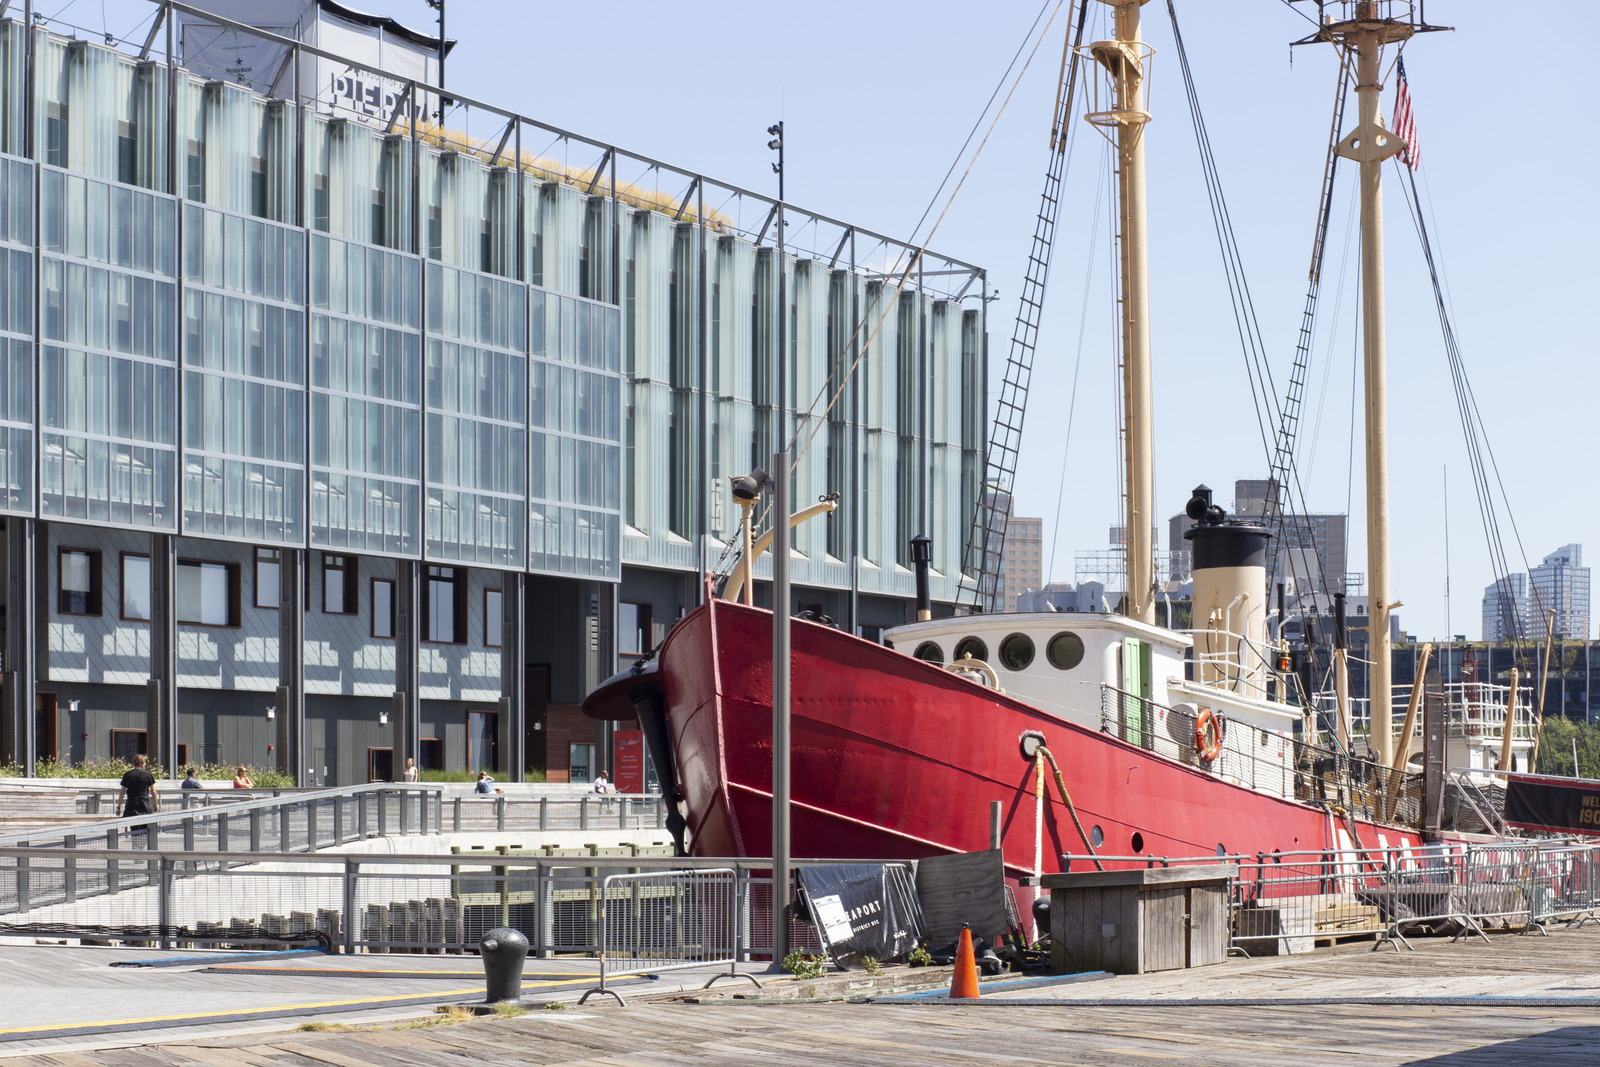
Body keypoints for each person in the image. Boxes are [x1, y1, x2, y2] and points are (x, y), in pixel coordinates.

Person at [116, 754, 159, 832]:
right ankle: (141, 843)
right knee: (145, 829)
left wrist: (118, 807)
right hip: (144, 804)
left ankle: (135, 842)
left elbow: (122, 791)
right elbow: (153, 791)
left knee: (134, 829)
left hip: (132, 805)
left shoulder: (128, 775)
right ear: (143, 763)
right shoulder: (148, 774)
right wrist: (155, 804)